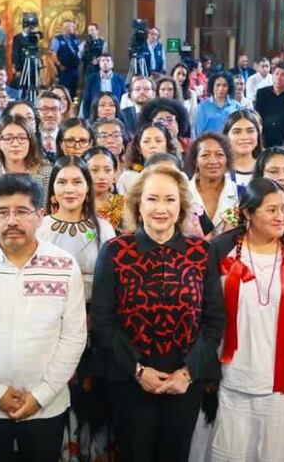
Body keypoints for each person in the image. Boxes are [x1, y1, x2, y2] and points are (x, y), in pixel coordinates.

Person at [0, 173, 86, 462]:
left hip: (46, 406)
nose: (12, 221)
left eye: (22, 211)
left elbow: (74, 337)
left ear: (40, 215)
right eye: (2, 212)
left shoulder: (63, 264)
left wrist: (41, 396)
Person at [91, 164, 225, 462]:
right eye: (152, 199)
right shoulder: (114, 251)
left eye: (169, 199)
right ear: (138, 204)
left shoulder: (202, 253)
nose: (161, 208)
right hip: (129, 379)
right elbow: (102, 322)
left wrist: (187, 374)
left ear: (182, 206)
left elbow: (214, 321)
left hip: (184, 381)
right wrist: (138, 371)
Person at [204, 179, 284, 462]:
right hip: (232, 377)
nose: (281, 217)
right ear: (248, 213)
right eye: (271, 210)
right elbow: (205, 315)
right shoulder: (220, 250)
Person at [37, 157, 117, 460]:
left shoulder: (105, 228)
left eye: (77, 182)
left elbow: (111, 286)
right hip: (50, 330)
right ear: (52, 189)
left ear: (88, 187)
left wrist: (91, 318)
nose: (70, 189)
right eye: (62, 182)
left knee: (93, 404)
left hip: (94, 329)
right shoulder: (40, 227)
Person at [0, 115, 52, 221]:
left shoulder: (46, 173)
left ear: (30, 142)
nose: (15, 144)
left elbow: (49, 216)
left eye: (22, 138)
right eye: (8, 138)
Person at [187, 134, 240, 238]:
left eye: (219, 155)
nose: (213, 161)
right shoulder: (182, 193)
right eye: (205, 155)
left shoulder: (240, 193)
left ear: (227, 159)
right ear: (195, 161)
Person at [116, 123, 179, 195]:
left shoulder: (178, 175)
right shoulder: (128, 178)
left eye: (158, 141)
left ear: (168, 146)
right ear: (139, 148)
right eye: (146, 141)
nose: (152, 146)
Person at [84, 146, 126, 232]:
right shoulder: (76, 205)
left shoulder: (124, 205)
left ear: (114, 173)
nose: (102, 176)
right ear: (84, 172)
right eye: (95, 170)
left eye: (107, 170)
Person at [80, 53, 125, 120]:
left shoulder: (119, 79)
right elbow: (86, 99)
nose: (105, 63)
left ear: (112, 64)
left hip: (115, 114)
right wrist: (87, 117)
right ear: (99, 64)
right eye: (103, 60)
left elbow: (123, 98)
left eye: (108, 60)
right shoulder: (91, 79)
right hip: (96, 114)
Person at [224, 109, 263, 186]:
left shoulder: (267, 168)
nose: (244, 137)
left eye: (250, 131)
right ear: (226, 136)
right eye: (237, 132)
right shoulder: (217, 171)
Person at [51, 20, 81, 98]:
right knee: (64, 90)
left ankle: (73, 107)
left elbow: (79, 52)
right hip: (63, 70)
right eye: (72, 26)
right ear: (66, 27)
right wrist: (59, 64)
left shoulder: (75, 39)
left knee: (73, 90)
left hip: (74, 69)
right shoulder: (57, 39)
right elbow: (54, 54)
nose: (73, 28)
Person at [36, 91, 64, 160]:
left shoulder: (66, 136)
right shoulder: (31, 137)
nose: (50, 115)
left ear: (60, 111)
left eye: (54, 109)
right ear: (37, 112)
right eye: (45, 109)